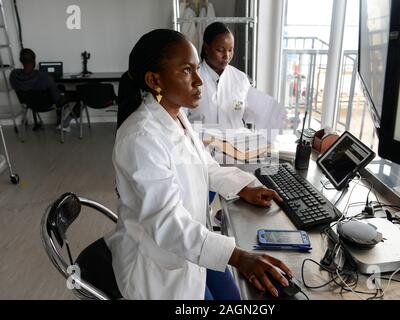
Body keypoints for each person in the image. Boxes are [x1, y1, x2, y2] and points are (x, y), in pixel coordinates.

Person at [107, 29, 293, 300]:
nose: (198, 81)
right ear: (154, 80)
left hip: (192, 245)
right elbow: (169, 225)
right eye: (186, 71)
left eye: (196, 69)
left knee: (236, 298)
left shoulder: (176, 116)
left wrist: (244, 188)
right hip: (159, 269)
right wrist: (238, 256)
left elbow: (205, 165)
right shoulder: (140, 139)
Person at [184, 22, 251, 129]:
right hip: (201, 144)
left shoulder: (241, 79)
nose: (227, 56)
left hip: (234, 144)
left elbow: (249, 115)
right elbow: (182, 121)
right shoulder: (191, 79)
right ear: (206, 48)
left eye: (230, 50)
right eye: (220, 50)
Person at [9, 48, 80, 131]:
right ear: (34, 61)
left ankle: (59, 120)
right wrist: (61, 95)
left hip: (30, 104)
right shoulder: (44, 76)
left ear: (20, 60)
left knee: (61, 88)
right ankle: (65, 123)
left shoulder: (13, 75)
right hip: (47, 104)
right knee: (81, 95)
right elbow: (57, 99)